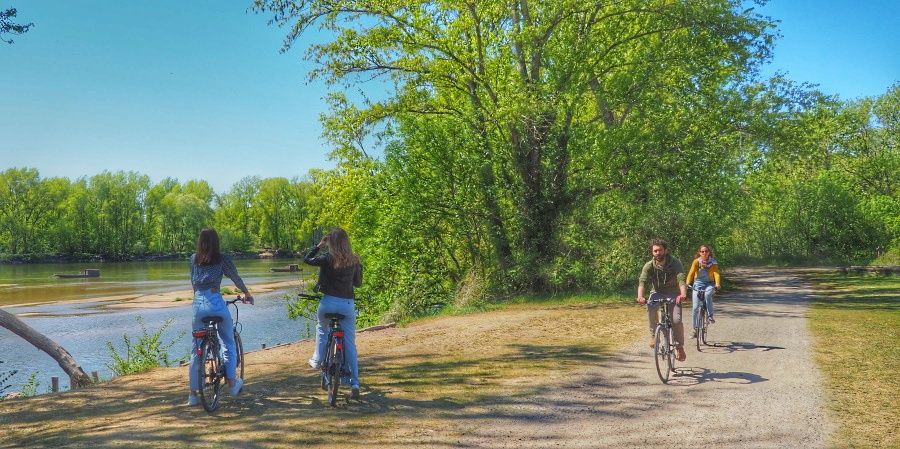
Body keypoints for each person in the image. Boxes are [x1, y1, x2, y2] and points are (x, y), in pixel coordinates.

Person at [187, 228, 254, 406]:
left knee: (196, 348)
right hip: (216, 301)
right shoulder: (222, 259)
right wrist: (246, 293)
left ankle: (193, 395)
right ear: (217, 242)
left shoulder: (193, 259)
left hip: (198, 303)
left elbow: (193, 283)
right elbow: (235, 277)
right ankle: (232, 384)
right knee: (228, 341)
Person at [303, 227, 363, 400]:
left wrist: (319, 246)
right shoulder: (354, 260)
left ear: (331, 242)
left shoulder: (327, 259)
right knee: (350, 343)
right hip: (347, 304)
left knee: (322, 328)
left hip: (328, 303)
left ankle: (317, 359)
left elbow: (307, 259)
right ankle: (355, 383)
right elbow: (358, 284)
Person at [636, 238, 688, 362]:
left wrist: (683, 294)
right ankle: (654, 335)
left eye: (660, 250)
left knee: (676, 319)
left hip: (674, 293)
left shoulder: (675, 263)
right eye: (655, 251)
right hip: (657, 292)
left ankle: (679, 346)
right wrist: (640, 297)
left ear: (665, 250)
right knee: (651, 307)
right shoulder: (649, 265)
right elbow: (642, 281)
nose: (657, 253)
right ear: (652, 252)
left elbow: (681, 279)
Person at [686, 244, 721, 337]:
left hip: (709, 283)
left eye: (706, 251)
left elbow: (716, 273)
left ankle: (710, 316)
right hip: (698, 284)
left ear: (709, 252)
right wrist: (687, 283)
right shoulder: (696, 262)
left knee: (707, 295)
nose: (704, 253)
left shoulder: (713, 262)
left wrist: (717, 283)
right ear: (699, 253)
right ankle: (695, 330)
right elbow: (691, 273)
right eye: (702, 251)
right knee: (695, 308)